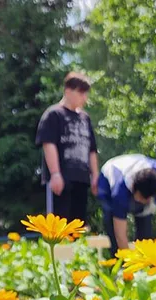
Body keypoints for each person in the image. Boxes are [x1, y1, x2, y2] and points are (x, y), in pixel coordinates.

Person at [35, 72, 99, 222]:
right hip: (61, 179)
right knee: (58, 226)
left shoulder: (85, 118)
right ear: (68, 91)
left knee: (77, 226)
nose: (85, 98)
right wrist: (55, 174)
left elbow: (92, 149)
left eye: (86, 94)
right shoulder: (53, 114)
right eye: (81, 93)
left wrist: (95, 175)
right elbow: (48, 144)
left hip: (82, 179)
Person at [97, 145, 156, 256]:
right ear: (134, 188)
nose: (145, 201)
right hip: (108, 179)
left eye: (148, 198)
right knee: (115, 240)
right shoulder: (119, 192)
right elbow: (121, 236)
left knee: (145, 238)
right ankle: (118, 265)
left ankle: (146, 262)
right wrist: (129, 263)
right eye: (143, 198)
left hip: (140, 169)